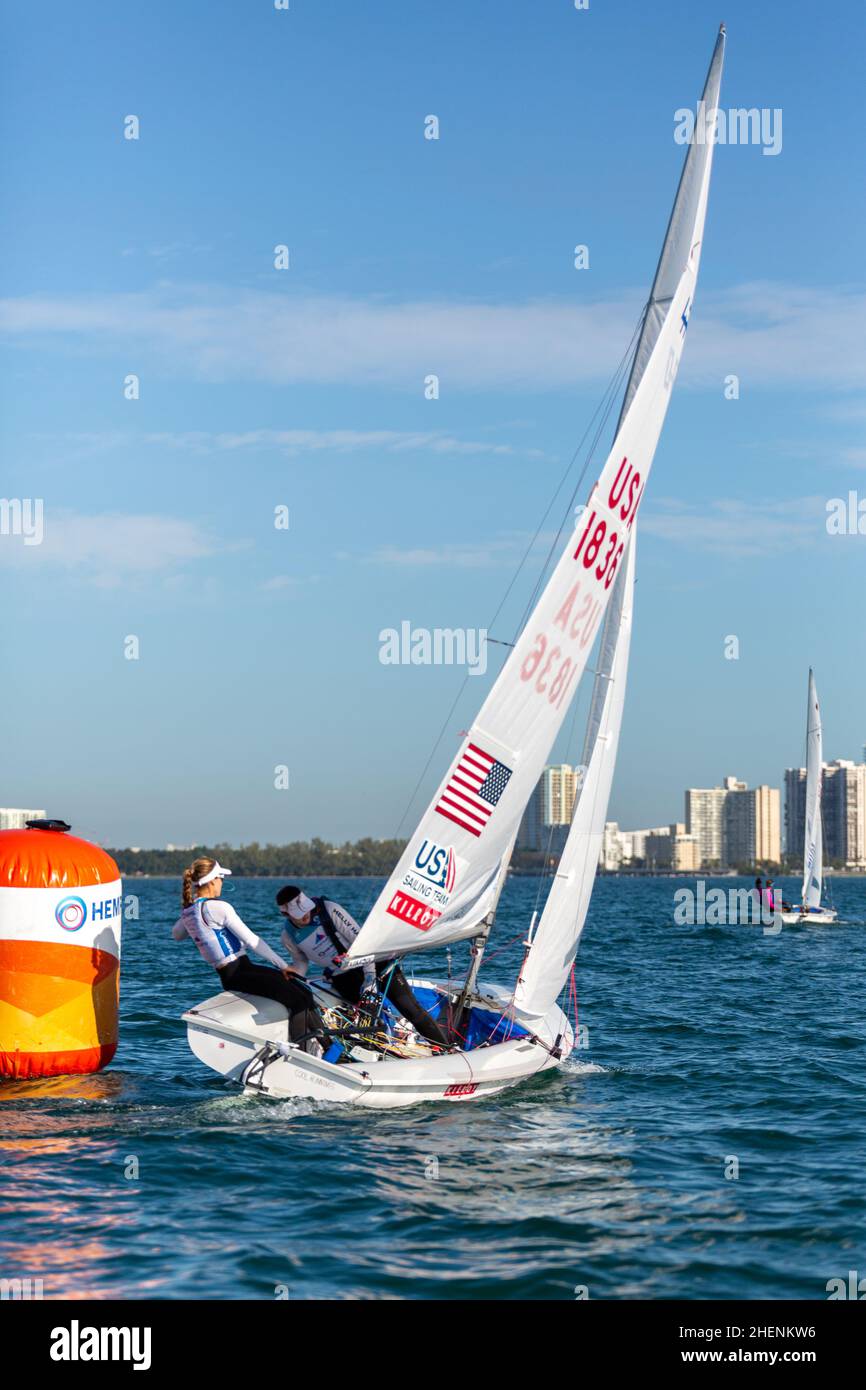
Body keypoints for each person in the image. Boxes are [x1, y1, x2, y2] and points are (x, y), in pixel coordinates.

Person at [172, 858, 332, 1057]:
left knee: (303, 992)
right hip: (241, 972)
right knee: (298, 1001)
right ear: (212, 881)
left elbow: (176, 935)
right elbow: (252, 941)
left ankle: (330, 1046)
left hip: (234, 973)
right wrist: (283, 965)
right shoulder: (219, 908)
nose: (222, 882)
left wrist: (190, 914)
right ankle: (300, 1056)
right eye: (221, 877)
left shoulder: (189, 912)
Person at [276, 885, 450, 1048]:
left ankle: (446, 1049)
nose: (306, 914)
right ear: (285, 913)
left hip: (376, 962)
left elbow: (363, 942)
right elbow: (301, 962)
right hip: (344, 977)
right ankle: (382, 1052)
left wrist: (369, 979)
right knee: (367, 1020)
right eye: (299, 913)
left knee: (411, 1009)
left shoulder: (329, 909)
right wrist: (295, 971)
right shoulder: (288, 936)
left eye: (306, 908)